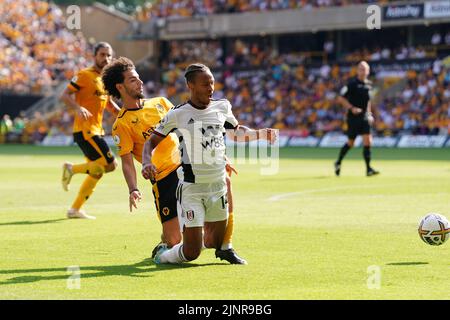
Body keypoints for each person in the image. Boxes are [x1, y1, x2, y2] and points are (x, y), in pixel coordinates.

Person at [102, 58, 247, 264]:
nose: (140, 82)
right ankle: (167, 243)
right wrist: (133, 188)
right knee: (174, 240)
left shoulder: (160, 103)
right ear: (120, 86)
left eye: (139, 78)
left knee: (225, 182)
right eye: (133, 80)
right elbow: (126, 161)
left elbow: (192, 127)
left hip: (186, 167)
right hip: (163, 179)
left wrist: (220, 157)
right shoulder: (122, 124)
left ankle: (226, 246)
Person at [142, 63, 276, 264]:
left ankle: (220, 248)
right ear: (191, 85)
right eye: (205, 84)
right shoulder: (178, 114)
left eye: (212, 83)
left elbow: (236, 131)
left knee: (214, 241)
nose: (211, 88)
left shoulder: (222, 106)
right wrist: (146, 162)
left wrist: (259, 134)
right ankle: (164, 256)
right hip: (192, 189)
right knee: (191, 253)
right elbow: (151, 142)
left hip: (218, 186)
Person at [60, 42, 120, 219]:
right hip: (85, 130)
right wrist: (77, 108)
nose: (106, 59)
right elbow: (64, 95)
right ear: (94, 56)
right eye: (102, 55)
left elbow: (108, 104)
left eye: (109, 55)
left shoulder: (106, 80)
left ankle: (75, 210)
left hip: (96, 130)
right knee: (111, 165)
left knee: (97, 171)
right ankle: (71, 169)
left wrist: (122, 114)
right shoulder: (84, 75)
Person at [334, 61, 379, 177]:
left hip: (364, 117)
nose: (363, 71)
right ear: (358, 71)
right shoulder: (352, 84)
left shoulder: (369, 84)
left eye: (365, 69)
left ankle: (368, 169)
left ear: (368, 71)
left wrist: (369, 114)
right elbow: (341, 98)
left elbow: (368, 101)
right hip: (353, 117)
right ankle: (338, 162)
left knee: (368, 140)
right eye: (361, 69)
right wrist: (352, 108)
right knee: (351, 143)